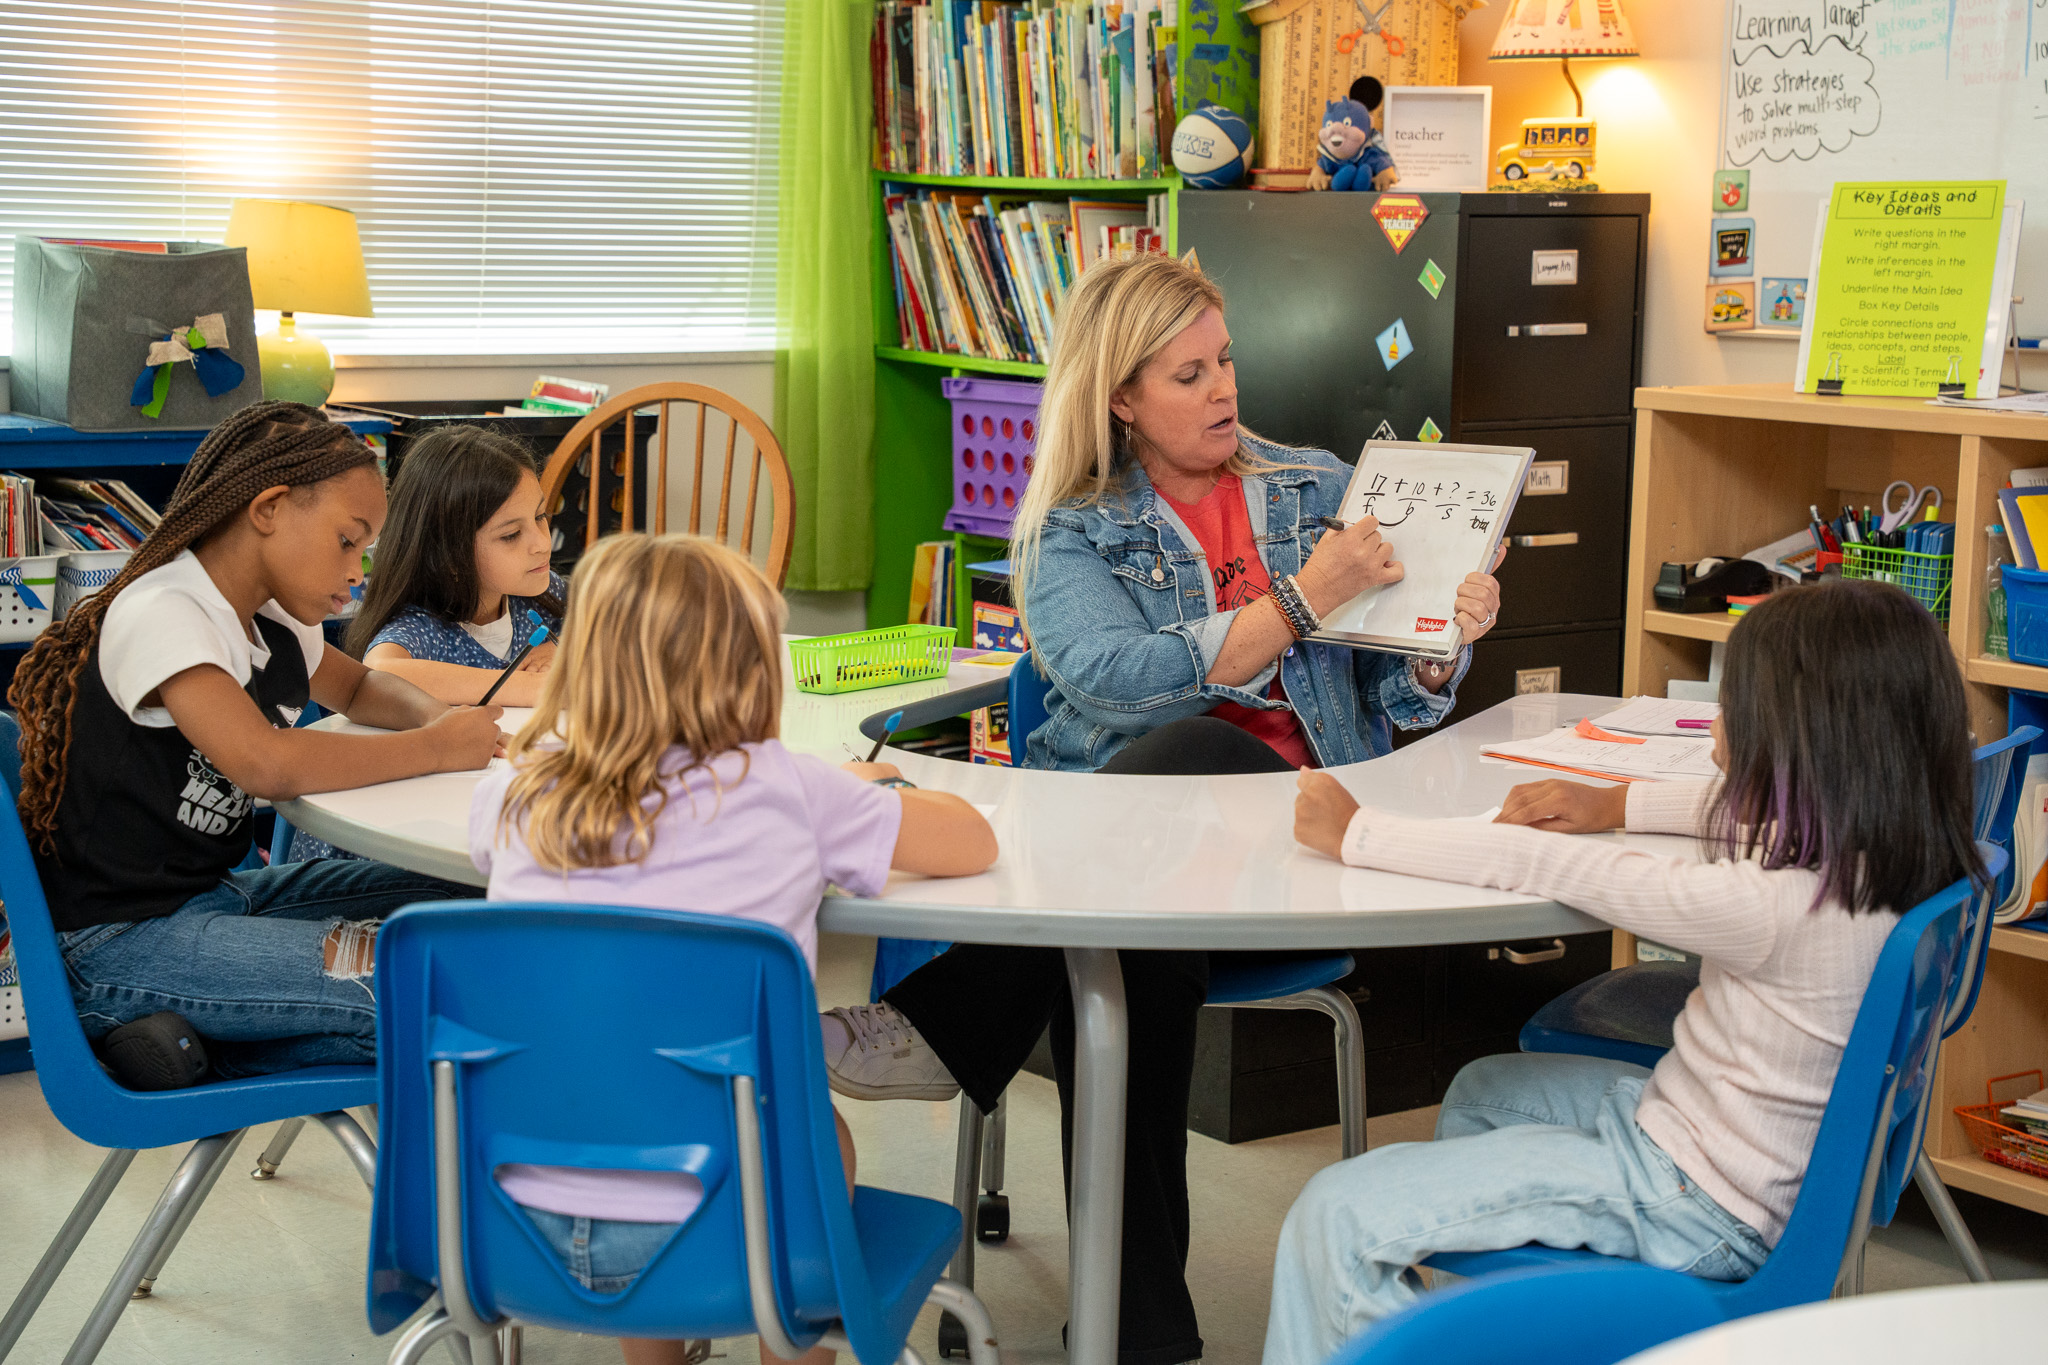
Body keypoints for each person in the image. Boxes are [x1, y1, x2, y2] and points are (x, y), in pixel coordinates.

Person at [824, 252, 1504, 1365]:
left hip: (1303, 834)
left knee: (1183, 778)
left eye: (1224, 360)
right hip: (1139, 867)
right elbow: (1106, 680)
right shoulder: (1073, 528)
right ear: (1119, 398)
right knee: (1133, 950)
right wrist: (1301, 601)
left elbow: (1390, 692)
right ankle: (1139, 1338)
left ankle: (948, 1027)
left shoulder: (1323, 488)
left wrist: (1441, 645)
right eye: (1186, 375)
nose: (1222, 390)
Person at [1266, 579, 1983, 1363]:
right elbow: (1729, 806)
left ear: (1804, 743)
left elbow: (1549, 863)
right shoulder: (1895, 847)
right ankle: (1502, 1333)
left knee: (1336, 1215)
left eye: (1732, 712)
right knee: (1484, 1092)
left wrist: (1360, 832)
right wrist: (1613, 801)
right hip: (1745, 1164)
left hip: (1697, 1200)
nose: (1716, 734)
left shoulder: (1775, 906)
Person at [469, 532, 998, 1365]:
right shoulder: (786, 784)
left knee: (620, 1084)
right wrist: (875, 789)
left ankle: (656, 1349)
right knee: (811, 1125)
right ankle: (789, 1345)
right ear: (752, 667)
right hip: (742, 1222)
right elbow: (972, 843)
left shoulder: (514, 790)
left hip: (520, 1208)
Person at [11, 401, 502, 1080]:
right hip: (120, 946)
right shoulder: (167, 611)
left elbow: (359, 690)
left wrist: (433, 720)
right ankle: (199, 1048)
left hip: (215, 900)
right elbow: (268, 763)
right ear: (268, 508)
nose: (358, 571)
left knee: (474, 898)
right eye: (347, 541)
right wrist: (440, 748)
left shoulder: (270, 616)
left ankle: (205, 1035)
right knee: (416, 990)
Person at [347, 425, 565, 708]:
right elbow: (380, 672)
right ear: (448, 554)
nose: (542, 543)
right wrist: (534, 688)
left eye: (539, 516)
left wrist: (567, 652)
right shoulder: (425, 629)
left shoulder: (544, 597)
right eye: (511, 535)